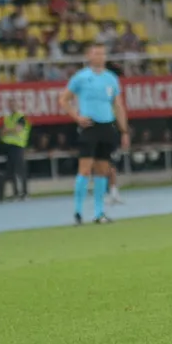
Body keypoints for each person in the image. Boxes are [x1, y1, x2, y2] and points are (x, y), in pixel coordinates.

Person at [59, 42, 129, 224]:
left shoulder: (111, 78)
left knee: (102, 170)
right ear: (89, 56)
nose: (100, 57)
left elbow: (118, 105)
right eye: (96, 53)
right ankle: (78, 211)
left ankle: (99, 213)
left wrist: (124, 130)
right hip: (90, 126)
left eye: (102, 54)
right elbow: (64, 99)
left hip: (107, 126)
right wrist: (77, 117)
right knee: (84, 169)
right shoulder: (81, 77)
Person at [0, 98, 31, 200]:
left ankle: (24, 193)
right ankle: (16, 193)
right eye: (10, 105)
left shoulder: (21, 117)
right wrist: (9, 130)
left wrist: (8, 130)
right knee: (11, 171)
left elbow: (18, 130)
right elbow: (2, 132)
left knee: (20, 170)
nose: (12, 107)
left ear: (17, 106)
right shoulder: (7, 118)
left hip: (18, 146)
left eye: (13, 105)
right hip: (9, 146)